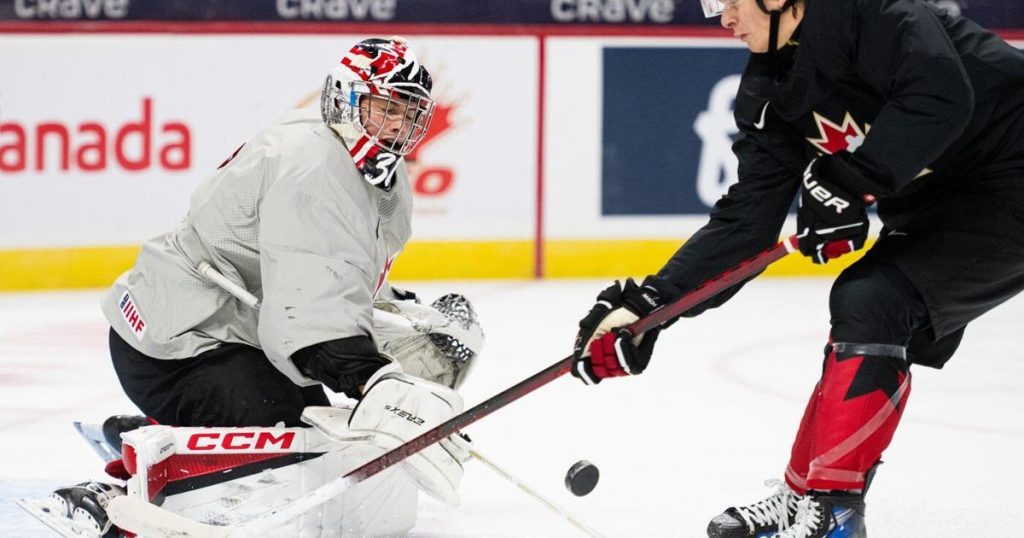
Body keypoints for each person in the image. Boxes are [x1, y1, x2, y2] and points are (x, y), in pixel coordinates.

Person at [570, 1, 1024, 537]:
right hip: (945, 203)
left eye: (727, 0)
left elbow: (941, 94)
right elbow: (745, 223)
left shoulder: (872, 14)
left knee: (875, 299)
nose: (721, 17)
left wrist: (851, 180)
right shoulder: (769, 89)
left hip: (1012, 170)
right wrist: (649, 306)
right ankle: (810, 494)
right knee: (873, 305)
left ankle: (833, 509)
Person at [31, 36, 486, 537]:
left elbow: (326, 270)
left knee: (314, 422)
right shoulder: (315, 163)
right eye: (384, 108)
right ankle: (118, 499)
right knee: (289, 438)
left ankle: (164, 435)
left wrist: (402, 315)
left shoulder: (365, 167)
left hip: (223, 329)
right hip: (179, 346)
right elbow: (310, 304)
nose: (397, 126)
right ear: (346, 97)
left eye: (408, 113)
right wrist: (373, 378)